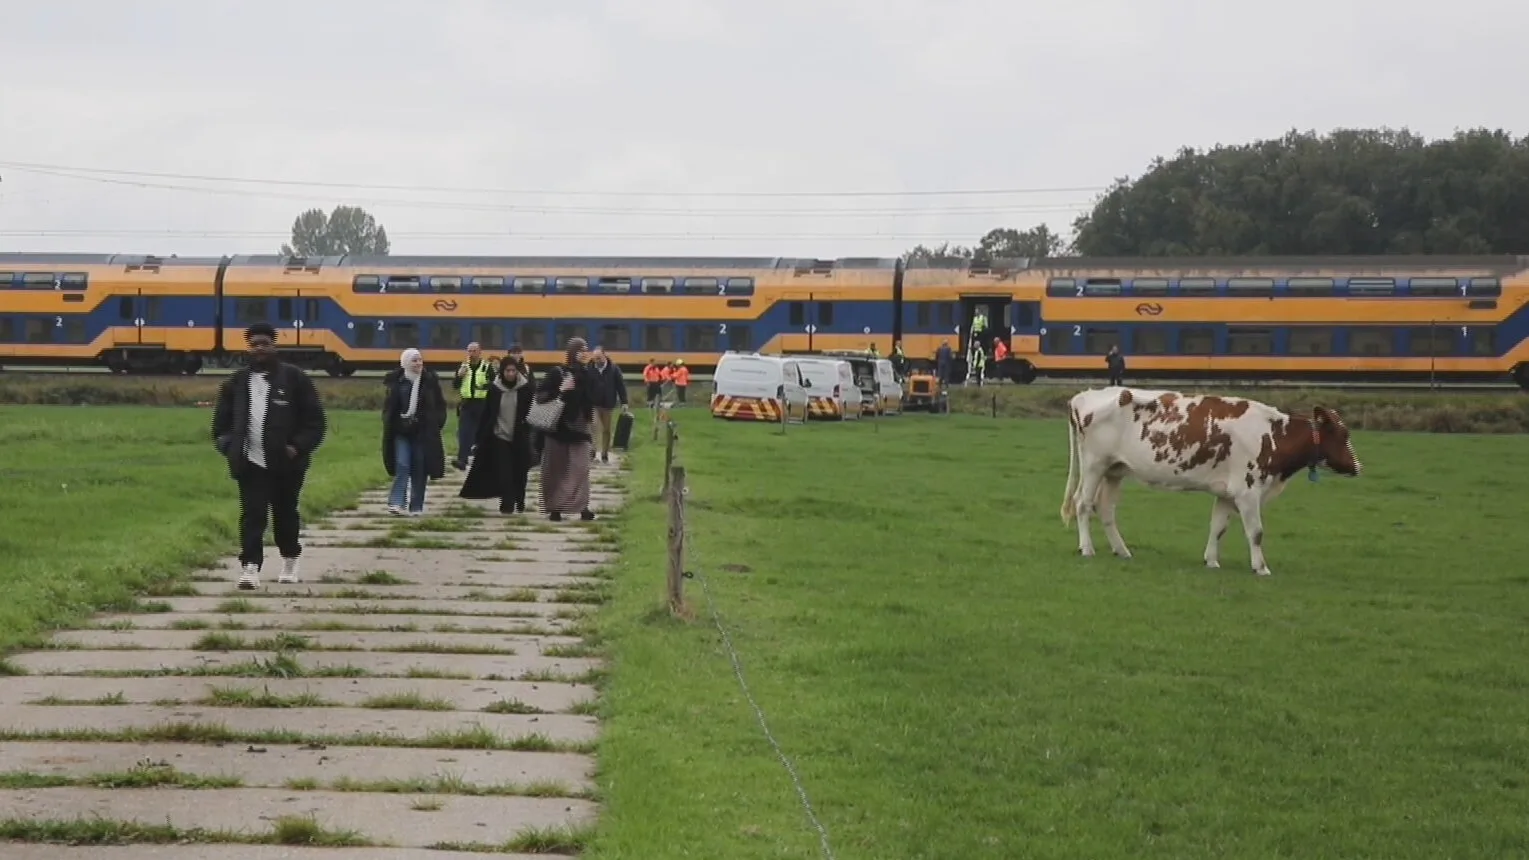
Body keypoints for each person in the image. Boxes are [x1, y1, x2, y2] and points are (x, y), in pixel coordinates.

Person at [211, 322, 326, 590]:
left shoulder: (295, 379)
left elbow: (315, 423)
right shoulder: (235, 383)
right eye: (255, 344)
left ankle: (289, 558)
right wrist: (230, 447)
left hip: (287, 464)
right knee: (253, 515)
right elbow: (220, 426)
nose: (260, 348)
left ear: (275, 346)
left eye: (265, 343)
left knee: (285, 514)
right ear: (248, 348)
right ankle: (250, 567)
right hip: (250, 462)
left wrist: (296, 447)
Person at [460, 356, 535, 514]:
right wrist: (480, 437)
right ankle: (507, 503)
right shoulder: (495, 389)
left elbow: (532, 412)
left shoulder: (526, 389)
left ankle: (519, 499)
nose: (510, 373)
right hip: (500, 436)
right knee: (505, 472)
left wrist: (530, 431)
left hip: (520, 436)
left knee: (520, 472)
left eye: (513, 370)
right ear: (502, 371)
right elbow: (487, 414)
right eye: (507, 370)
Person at [535, 337, 597, 522]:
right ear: (571, 352)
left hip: (580, 426)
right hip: (557, 427)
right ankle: (555, 508)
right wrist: (561, 390)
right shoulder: (557, 373)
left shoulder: (587, 374)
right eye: (580, 350)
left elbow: (593, 398)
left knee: (581, 468)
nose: (584, 353)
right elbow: (540, 396)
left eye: (586, 349)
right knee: (555, 469)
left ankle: (582, 506)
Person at [382, 348, 448, 516]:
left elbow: (440, 405)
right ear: (405, 362)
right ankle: (397, 502)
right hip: (401, 432)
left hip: (423, 432)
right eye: (414, 361)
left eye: (420, 360)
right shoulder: (397, 382)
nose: (418, 363)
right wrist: (393, 423)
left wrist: (436, 423)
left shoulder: (429, 381)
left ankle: (416, 506)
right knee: (403, 464)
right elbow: (389, 407)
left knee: (420, 468)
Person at [451, 342, 493, 470]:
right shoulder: (463, 367)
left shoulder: (487, 367)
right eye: (469, 351)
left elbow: (495, 384)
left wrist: (484, 387)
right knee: (464, 433)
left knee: (483, 434)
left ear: (480, 352)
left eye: (474, 351)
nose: (471, 354)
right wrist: (459, 376)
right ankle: (462, 460)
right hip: (467, 404)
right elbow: (455, 385)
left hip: (482, 404)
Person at [586, 346, 629, 464]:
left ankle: (604, 453)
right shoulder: (589, 369)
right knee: (593, 427)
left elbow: (621, 386)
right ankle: (592, 451)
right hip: (593, 404)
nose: (597, 361)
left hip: (608, 404)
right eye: (595, 359)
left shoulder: (614, 369)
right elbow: (584, 387)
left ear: (605, 356)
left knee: (606, 430)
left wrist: (624, 402)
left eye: (599, 358)